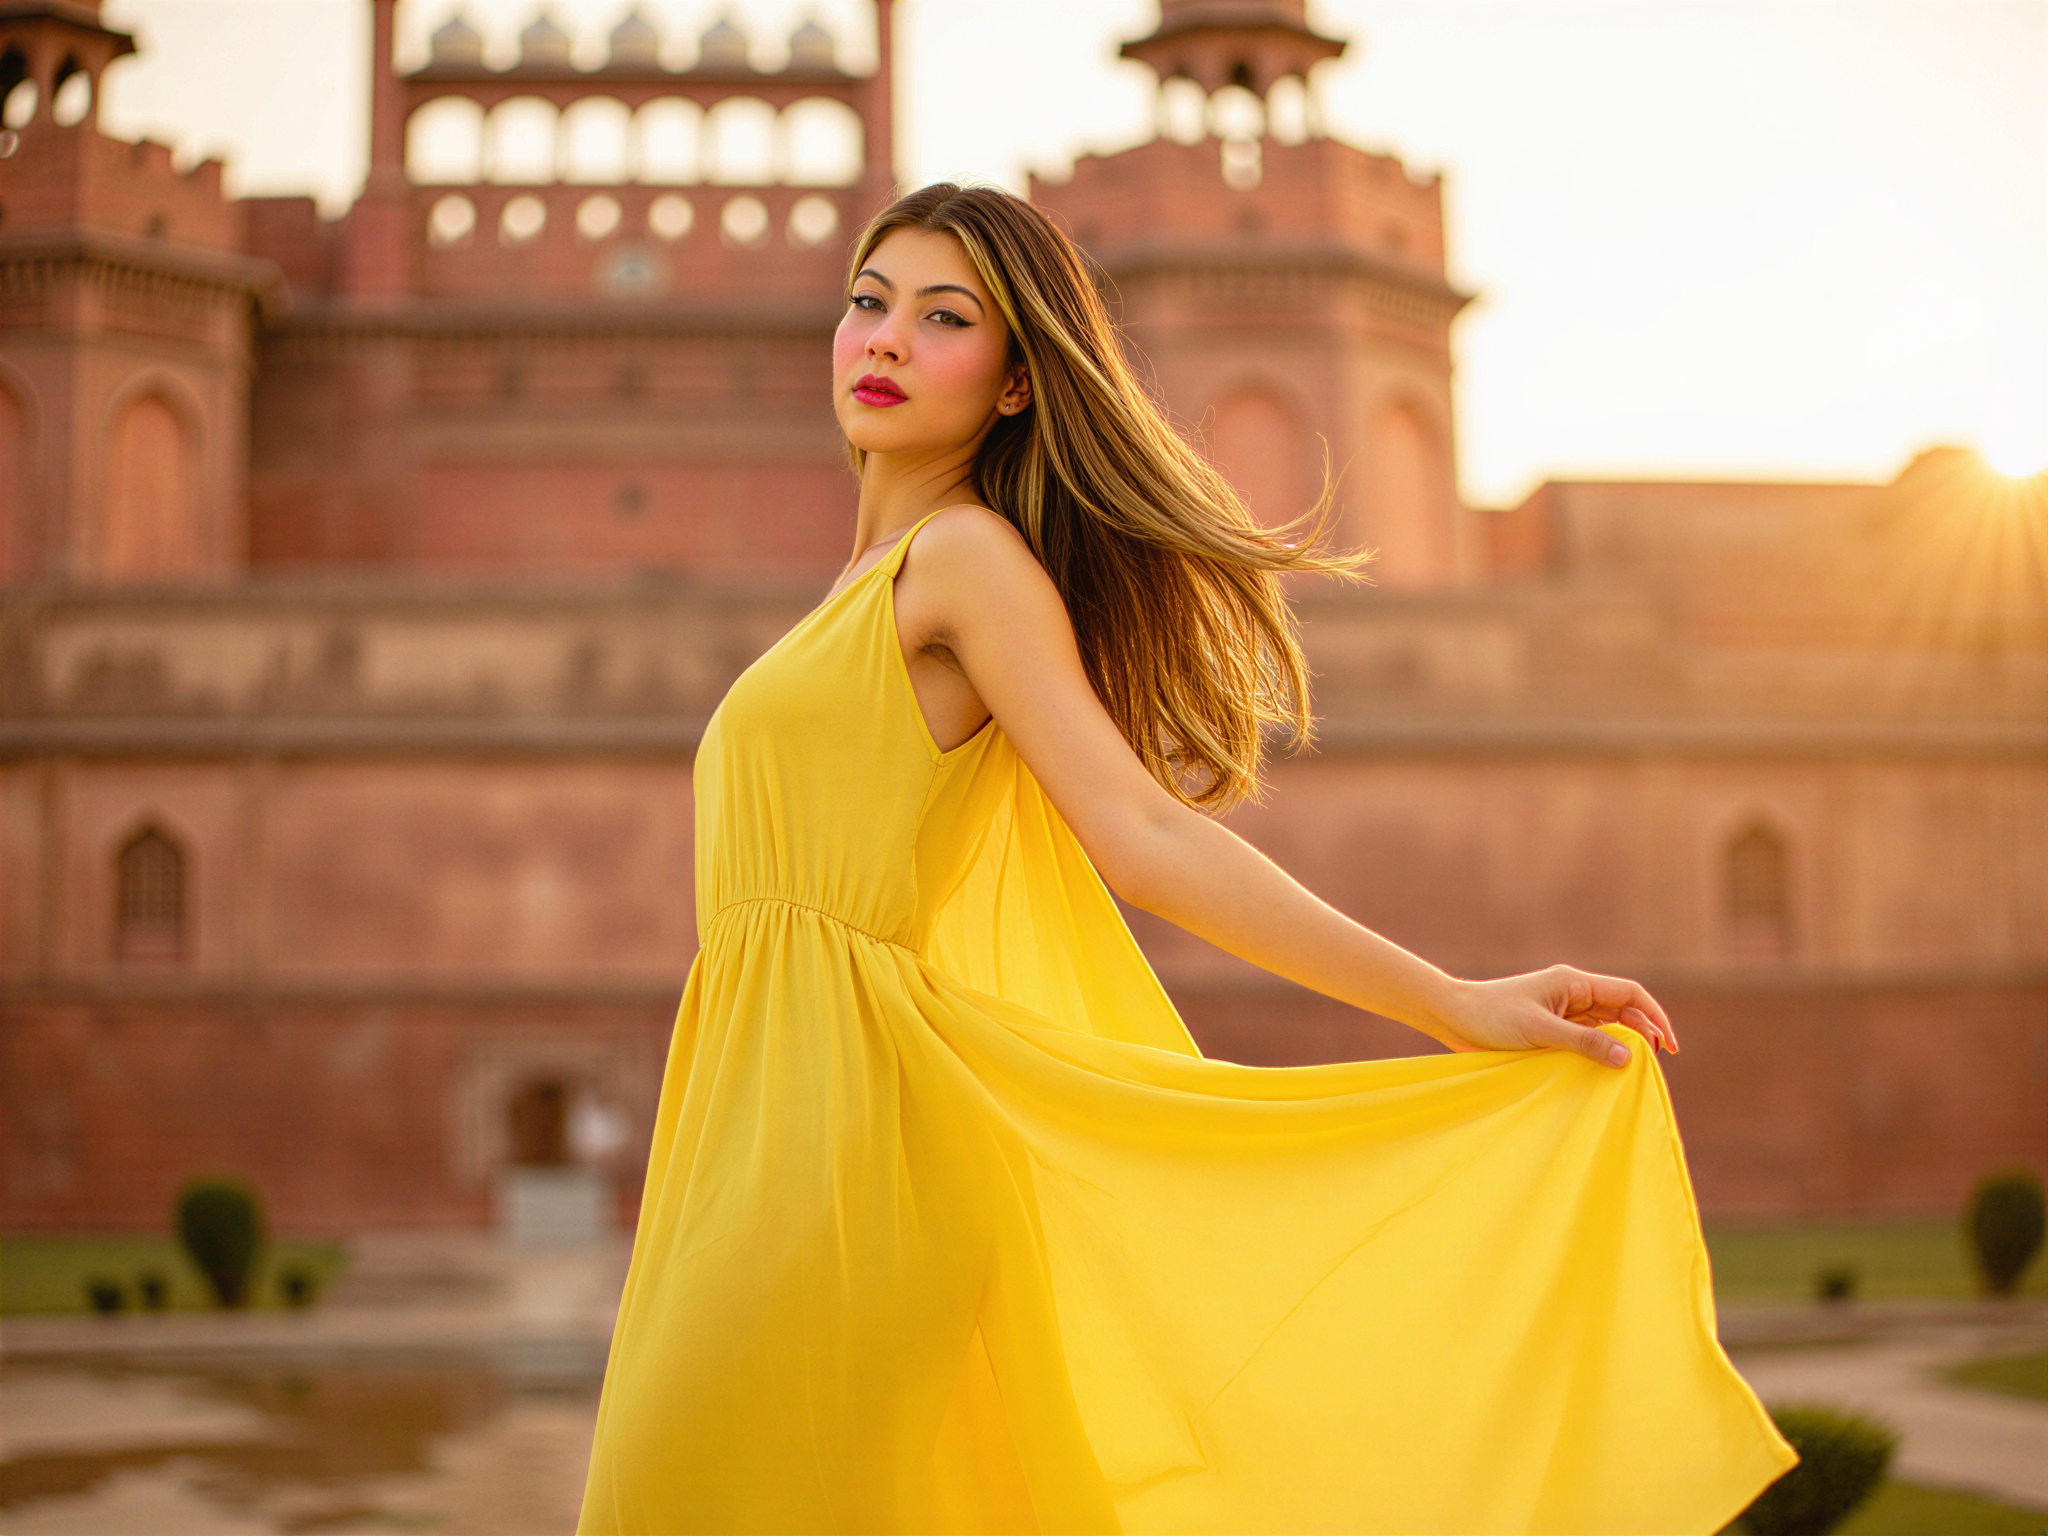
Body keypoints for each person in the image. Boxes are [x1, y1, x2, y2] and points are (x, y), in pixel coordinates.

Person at [576, 182, 1794, 1536]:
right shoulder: (857, 594)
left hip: (842, 1155)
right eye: (870, 302)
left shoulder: (963, 563)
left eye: (945, 318)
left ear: (1019, 383)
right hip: (755, 1127)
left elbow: (1146, 836)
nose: (888, 339)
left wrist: (1453, 1002)